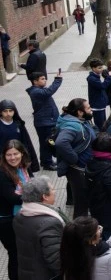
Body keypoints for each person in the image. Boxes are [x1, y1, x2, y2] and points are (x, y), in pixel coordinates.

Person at [12, 176, 66, 279]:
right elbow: (56, 261)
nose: (55, 192)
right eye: (52, 189)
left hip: (26, 273)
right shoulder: (50, 223)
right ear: (45, 196)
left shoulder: (20, 214)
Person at [54, 98, 96, 218]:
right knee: (81, 203)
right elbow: (61, 142)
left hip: (82, 168)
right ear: (80, 112)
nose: (91, 109)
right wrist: (74, 159)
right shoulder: (73, 126)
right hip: (77, 170)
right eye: (88, 108)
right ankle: (80, 230)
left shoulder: (83, 120)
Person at [0, 140, 33, 280]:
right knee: (15, 253)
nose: (12, 158)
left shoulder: (24, 167)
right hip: (6, 219)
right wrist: (35, 194)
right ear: (4, 156)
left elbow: (33, 183)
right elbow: (13, 198)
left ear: (22, 153)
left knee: (22, 252)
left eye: (15, 154)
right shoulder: (2, 173)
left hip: (22, 215)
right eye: (9, 155)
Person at [0, 100, 40, 172]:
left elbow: (26, 142)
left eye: (10, 111)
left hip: (18, 158)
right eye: (5, 111)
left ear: (14, 111)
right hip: (4, 158)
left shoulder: (18, 124)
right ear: (1, 112)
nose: (8, 113)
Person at [87, 59, 111, 129]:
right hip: (97, 106)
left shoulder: (96, 76)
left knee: (103, 123)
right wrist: (109, 76)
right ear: (93, 68)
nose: (101, 69)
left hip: (100, 104)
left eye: (102, 67)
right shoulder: (92, 79)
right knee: (101, 125)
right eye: (99, 68)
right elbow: (102, 86)